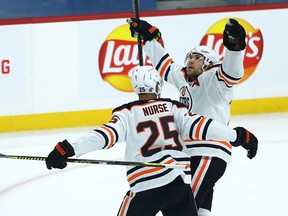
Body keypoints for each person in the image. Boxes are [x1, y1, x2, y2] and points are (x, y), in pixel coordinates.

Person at [45, 66, 257, 216]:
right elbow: (202, 126)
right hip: (177, 184)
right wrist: (237, 135)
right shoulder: (173, 107)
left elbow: (103, 136)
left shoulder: (126, 113)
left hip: (146, 186)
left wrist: (68, 149)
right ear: (156, 85)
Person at [128, 18, 254, 216]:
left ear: (209, 64)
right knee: (197, 212)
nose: (190, 61)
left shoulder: (214, 80)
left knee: (180, 211)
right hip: (190, 155)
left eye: (197, 57)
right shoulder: (184, 79)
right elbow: (165, 66)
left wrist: (234, 49)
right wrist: (149, 38)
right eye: (189, 57)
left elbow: (232, 74)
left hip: (208, 154)